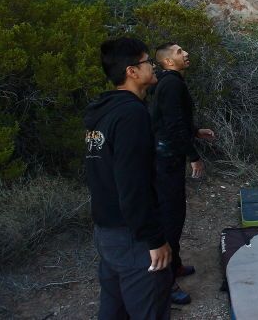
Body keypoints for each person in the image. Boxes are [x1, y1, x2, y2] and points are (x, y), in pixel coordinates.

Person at [85, 37, 172, 320]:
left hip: (106, 231)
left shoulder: (103, 113)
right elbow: (132, 184)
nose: (152, 66)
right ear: (132, 72)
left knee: (114, 310)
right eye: (147, 61)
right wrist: (154, 239)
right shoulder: (131, 115)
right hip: (131, 236)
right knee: (149, 308)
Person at [150, 43, 215, 305]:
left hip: (166, 156)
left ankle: (174, 264)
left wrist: (196, 131)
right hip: (166, 160)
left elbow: (174, 118)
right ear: (167, 62)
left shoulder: (169, 82)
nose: (186, 53)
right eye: (178, 52)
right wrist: (194, 156)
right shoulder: (172, 84)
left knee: (175, 213)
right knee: (171, 217)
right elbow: (173, 125)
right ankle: (165, 282)